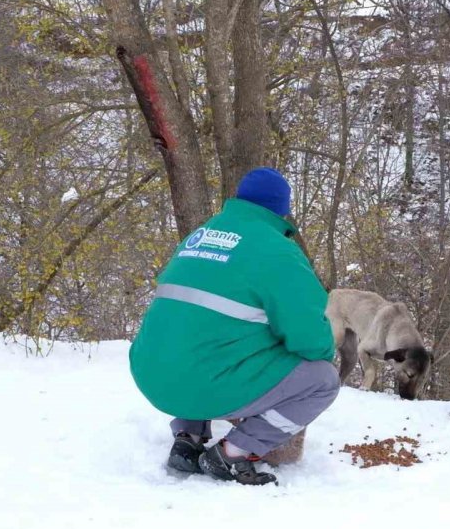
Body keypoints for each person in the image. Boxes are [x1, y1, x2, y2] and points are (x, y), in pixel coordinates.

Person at [129, 167, 338, 485]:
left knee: (205, 334)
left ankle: (188, 436)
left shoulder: (199, 236)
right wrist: (322, 351)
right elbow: (309, 338)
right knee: (323, 380)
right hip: (204, 382)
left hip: (151, 376)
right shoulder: (278, 250)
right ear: (282, 211)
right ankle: (234, 453)